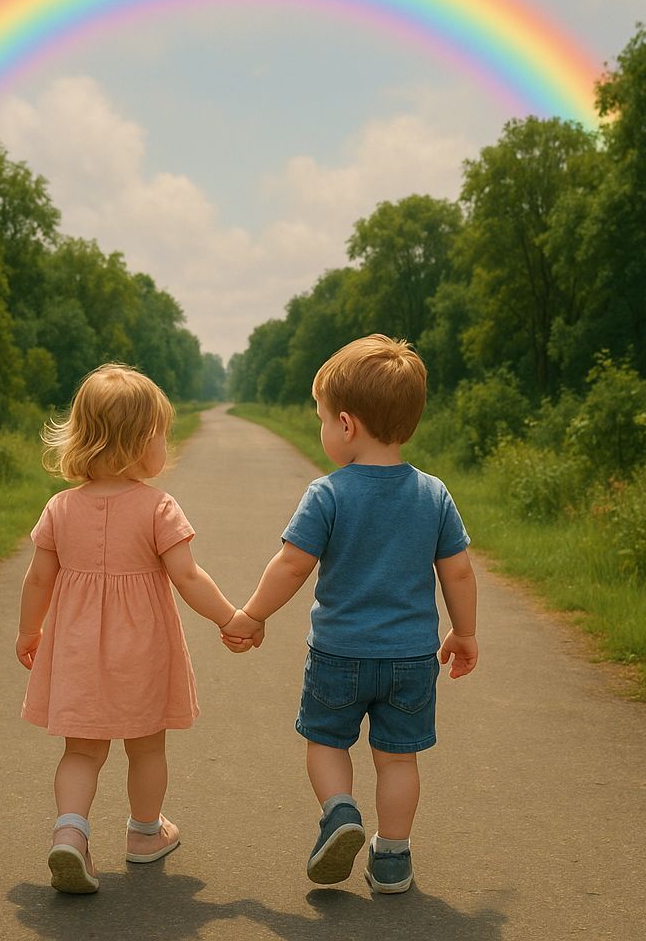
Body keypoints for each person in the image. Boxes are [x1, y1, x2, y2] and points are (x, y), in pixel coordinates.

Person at [222, 335, 479, 894]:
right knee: (397, 761)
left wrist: (252, 614)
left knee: (327, 742)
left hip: (339, 655)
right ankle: (392, 859)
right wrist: (464, 631)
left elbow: (292, 565)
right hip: (411, 660)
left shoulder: (328, 494)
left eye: (320, 420)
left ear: (345, 424)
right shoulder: (433, 495)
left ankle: (340, 813)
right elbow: (457, 571)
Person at [16, 363, 242, 894]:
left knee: (81, 751)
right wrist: (230, 618)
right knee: (146, 749)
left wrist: (30, 631)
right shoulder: (159, 507)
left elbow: (37, 579)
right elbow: (187, 575)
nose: (167, 444)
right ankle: (144, 834)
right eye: (163, 434)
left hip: (76, 653)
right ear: (143, 443)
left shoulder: (60, 508)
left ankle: (70, 834)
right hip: (143, 653)